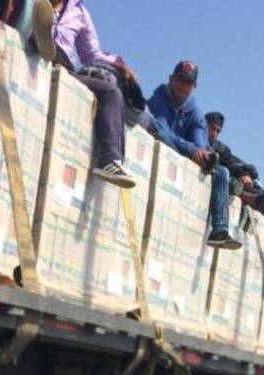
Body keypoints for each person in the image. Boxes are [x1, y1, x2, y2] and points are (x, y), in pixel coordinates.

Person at [147, 61, 240, 250]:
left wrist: (204, 156)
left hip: (183, 151)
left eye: (188, 83)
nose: (183, 86)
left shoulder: (195, 111)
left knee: (221, 171)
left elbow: (200, 141)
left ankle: (220, 229)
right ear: (171, 79)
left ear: (194, 86)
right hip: (166, 142)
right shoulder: (159, 99)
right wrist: (191, 150)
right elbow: (161, 129)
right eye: (180, 80)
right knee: (157, 129)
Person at [48, 0, 137, 189]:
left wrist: (117, 64)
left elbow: (92, 54)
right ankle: (43, 40)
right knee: (37, 33)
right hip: (32, 48)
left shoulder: (79, 13)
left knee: (111, 92)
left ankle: (111, 161)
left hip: (63, 67)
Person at [204, 112, 264, 215]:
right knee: (231, 182)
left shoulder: (218, 147)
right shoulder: (194, 138)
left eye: (218, 131)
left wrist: (245, 174)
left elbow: (231, 160)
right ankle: (261, 201)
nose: (214, 134)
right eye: (211, 128)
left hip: (230, 177)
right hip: (219, 177)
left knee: (249, 182)